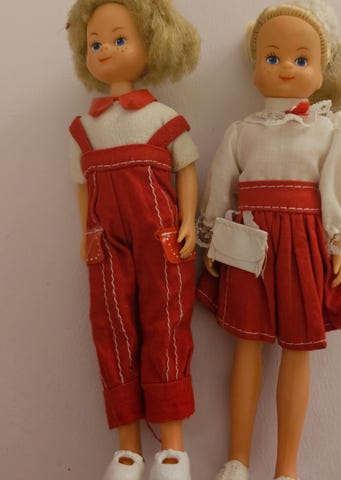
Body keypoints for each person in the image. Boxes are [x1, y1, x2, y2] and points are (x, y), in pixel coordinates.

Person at [196, 1, 341, 479]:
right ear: (254, 67)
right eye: (271, 57)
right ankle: (237, 459)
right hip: (247, 239)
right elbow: (221, 184)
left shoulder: (330, 128)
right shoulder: (242, 131)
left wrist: (338, 238)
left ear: (322, 69)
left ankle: (286, 468)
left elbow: (339, 184)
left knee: (297, 348)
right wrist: (212, 234)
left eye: (301, 58)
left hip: (302, 242)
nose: (286, 67)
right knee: (246, 346)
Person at [66, 1, 200, 479]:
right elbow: (82, 186)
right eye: (95, 43)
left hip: (162, 236)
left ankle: (172, 448)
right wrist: (86, 233)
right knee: (111, 328)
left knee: (167, 324)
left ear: (154, 45)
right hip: (106, 243)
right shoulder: (85, 129)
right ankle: (128, 449)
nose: (104, 50)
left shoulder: (163, 119)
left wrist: (189, 221)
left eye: (119, 39)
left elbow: (187, 169)